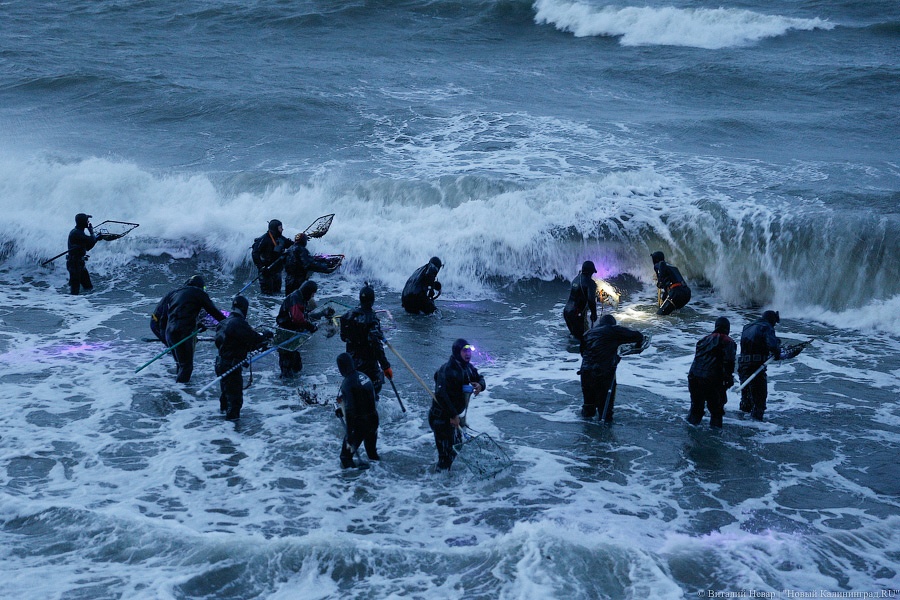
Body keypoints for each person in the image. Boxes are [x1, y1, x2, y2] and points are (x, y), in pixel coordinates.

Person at [428, 339, 486, 471]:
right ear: (456, 352)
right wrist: (453, 415)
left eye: (469, 350)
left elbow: (479, 377)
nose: (468, 354)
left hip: (455, 417)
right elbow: (441, 395)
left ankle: (446, 483)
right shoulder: (446, 370)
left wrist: (480, 385)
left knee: (457, 448)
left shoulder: (468, 368)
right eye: (464, 350)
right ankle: (436, 486)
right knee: (445, 458)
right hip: (441, 417)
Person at [214, 295, 273, 420]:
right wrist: (265, 335)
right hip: (231, 366)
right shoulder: (238, 323)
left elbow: (225, 341)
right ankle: (232, 430)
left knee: (225, 395)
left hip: (220, 363)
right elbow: (254, 338)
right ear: (244, 309)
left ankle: (221, 425)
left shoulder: (223, 322)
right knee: (235, 401)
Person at [738, 310, 801, 421]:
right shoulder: (767, 326)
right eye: (774, 323)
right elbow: (772, 346)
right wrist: (777, 352)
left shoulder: (747, 327)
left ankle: (741, 422)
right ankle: (756, 427)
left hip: (743, 366)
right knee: (759, 401)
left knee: (746, 399)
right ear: (771, 320)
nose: (774, 326)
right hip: (756, 368)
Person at [579, 314, 644, 422]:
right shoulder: (613, 330)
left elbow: (583, 352)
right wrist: (638, 345)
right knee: (605, 409)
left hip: (585, 372)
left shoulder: (588, 333)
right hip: (603, 373)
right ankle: (605, 435)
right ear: (612, 324)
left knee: (588, 405)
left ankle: (586, 431)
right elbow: (637, 335)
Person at [164, 275, 227, 383]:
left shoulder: (175, 293)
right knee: (187, 367)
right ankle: (180, 395)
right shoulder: (199, 293)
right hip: (183, 332)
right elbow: (214, 312)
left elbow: (169, 316)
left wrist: (197, 325)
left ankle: (177, 388)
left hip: (169, 331)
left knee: (181, 364)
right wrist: (231, 323)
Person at [339, 282, 393, 396]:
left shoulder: (348, 315)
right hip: (368, 365)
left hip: (352, 362)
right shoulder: (372, 320)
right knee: (373, 389)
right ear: (372, 301)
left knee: (355, 389)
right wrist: (385, 366)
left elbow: (343, 337)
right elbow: (376, 344)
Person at [275, 280, 335, 378]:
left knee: (297, 366)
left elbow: (305, 316)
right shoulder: (295, 298)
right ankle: (285, 388)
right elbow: (298, 318)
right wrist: (311, 327)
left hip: (291, 334)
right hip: (285, 335)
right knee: (287, 367)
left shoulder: (300, 297)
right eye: (312, 294)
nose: (313, 297)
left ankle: (290, 389)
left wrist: (322, 313)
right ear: (308, 292)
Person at [687, 317, 737, 428]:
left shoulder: (703, 340)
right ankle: (716, 436)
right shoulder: (728, 341)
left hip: (694, 377)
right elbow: (729, 362)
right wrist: (728, 380)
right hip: (712, 380)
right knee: (716, 412)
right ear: (727, 328)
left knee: (696, 410)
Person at [334, 352, 380, 468]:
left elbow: (350, 410)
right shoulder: (364, 376)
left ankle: (353, 484)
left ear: (341, 367)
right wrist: (341, 410)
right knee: (372, 454)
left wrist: (349, 433)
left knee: (345, 457)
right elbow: (364, 400)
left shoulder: (347, 383)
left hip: (360, 424)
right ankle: (380, 478)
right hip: (373, 420)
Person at [65, 213, 113, 295]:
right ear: (82, 222)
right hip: (74, 264)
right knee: (74, 291)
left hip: (79, 263)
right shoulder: (76, 233)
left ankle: (84, 304)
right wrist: (91, 232)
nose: (88, 222)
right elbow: (90, 240)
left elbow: (88, 247)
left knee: (88, 287)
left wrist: (97, 238)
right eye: (87, 220)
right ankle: (71, 305)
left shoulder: (80, 232)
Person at [251, 219, 293, 295]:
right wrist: (261, 267)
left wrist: (300, 241)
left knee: (277, 293)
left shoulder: (281, 238)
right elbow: (255, 253)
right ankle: (264, 306)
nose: (282, 229)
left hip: (277, 271)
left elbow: (291, 245)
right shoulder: (264, 239)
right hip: (266, 271)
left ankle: (275, 307)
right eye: (280, 227)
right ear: (275, 228)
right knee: (267, 295)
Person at [563, 260, 599, 341]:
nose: (592, 275)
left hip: (567, 312)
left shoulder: (576, 278)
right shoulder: (590, 282)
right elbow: (590, 300)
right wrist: (594, 314)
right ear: (590, 272)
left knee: (574, 337)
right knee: (581, 340)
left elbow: (579, 295)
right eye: (592, 272)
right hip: (576, 314)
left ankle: (567, 352)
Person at [650, 251, 691, 316]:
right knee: (673, 314)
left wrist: (660, 281)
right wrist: (663, 300)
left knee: (660, 315)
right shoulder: (672, 267)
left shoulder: (660, 264)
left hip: (676, 293)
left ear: (655, 259)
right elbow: (668, 290)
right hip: (686, 293)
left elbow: (661, 264)